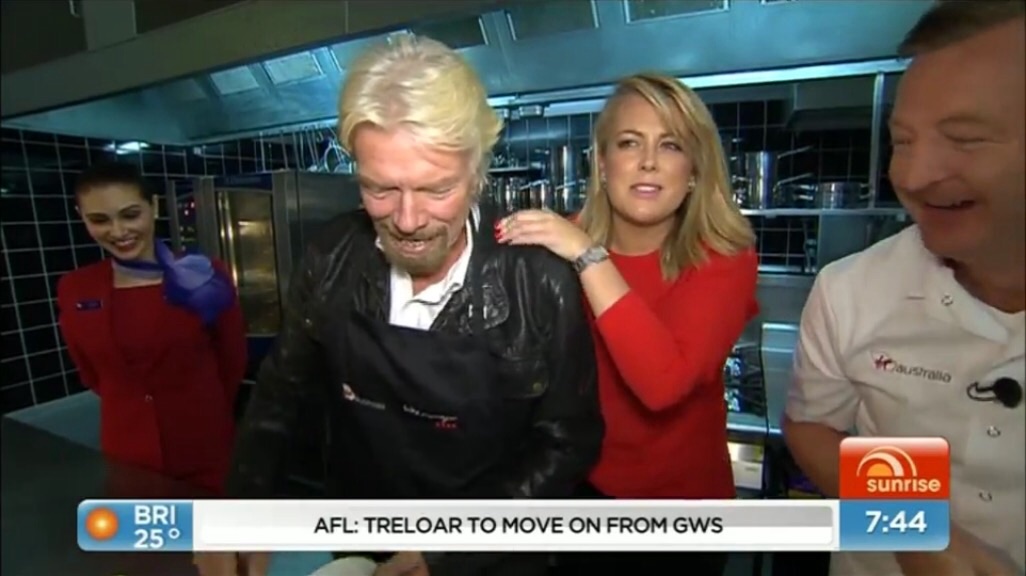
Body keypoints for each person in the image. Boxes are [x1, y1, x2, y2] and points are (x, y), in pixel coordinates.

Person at [194, 35, 603, 576]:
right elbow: (279, 398)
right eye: (380, 189)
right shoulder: (331, 257)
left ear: (477, 175)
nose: (407, 221)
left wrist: (450, 549)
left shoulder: (539, 281)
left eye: (436, 190)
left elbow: (568, 442)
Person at [783, 2, 1025, 575]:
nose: (914, 177)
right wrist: (914, 524)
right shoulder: (851, 290)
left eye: (964, 138)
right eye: (904, 141)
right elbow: (814, 428)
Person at [500, 72, 759, 576]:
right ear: (601, 163)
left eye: (671, 145)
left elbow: (662, 385)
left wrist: (587, 256)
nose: (648, 162)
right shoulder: (566, 238)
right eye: (629, 143)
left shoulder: (725, 257)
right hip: (581, 495)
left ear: (694, 169)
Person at [56, 161, 247, 493]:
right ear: (81, 217)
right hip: (128, 456)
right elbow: (90, 373)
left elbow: (232, 360)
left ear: (154, 206)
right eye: (99, 220)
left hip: (205, 447)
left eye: (130, 215)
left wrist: (198, 408)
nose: (118, 231)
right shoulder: (76, 288)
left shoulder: (203, 275)